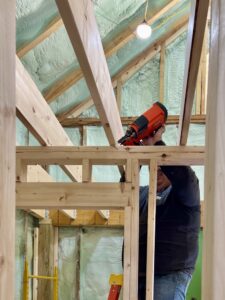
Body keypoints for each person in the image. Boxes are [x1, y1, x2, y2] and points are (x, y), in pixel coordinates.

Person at [135, 126, 200, 300]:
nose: (156, 172)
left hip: (169, 274)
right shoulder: (143, 194)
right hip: (138, 274)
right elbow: (123, 192)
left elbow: (183, 176)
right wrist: (136, 156)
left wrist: (157, 145)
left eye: (162, 169)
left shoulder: (183, 192)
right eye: (153, 168)